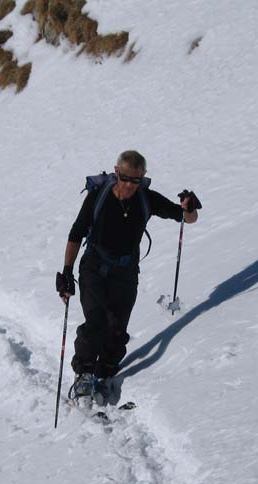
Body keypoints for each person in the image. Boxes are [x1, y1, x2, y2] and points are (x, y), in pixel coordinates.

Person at [55, 150, 200, 400]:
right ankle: (84, 375)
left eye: (136, 180)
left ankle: (106, 372)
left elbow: (187, 219)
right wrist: (67, 271)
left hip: (126, 271)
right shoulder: (98, 197)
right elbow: (77, 232)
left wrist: (189, 207)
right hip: (94, 266)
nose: (130, 185)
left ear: (142, 177)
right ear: (116, 172)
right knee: (96, 320)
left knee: (117, 328)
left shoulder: (147, 199)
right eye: (125, 178)